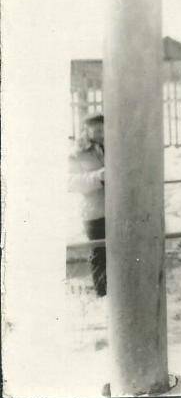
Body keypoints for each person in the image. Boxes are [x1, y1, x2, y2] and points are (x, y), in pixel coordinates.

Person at [68, 113, 107, 297]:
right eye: (97, 130)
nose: (102, 133)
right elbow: (71, 182)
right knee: (100, 252)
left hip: (119, 210)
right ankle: (102, 293)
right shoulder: (77, 153)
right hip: (94, 212)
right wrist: (98, 177)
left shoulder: (113, 146)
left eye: (104, 129)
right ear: (86, 131)